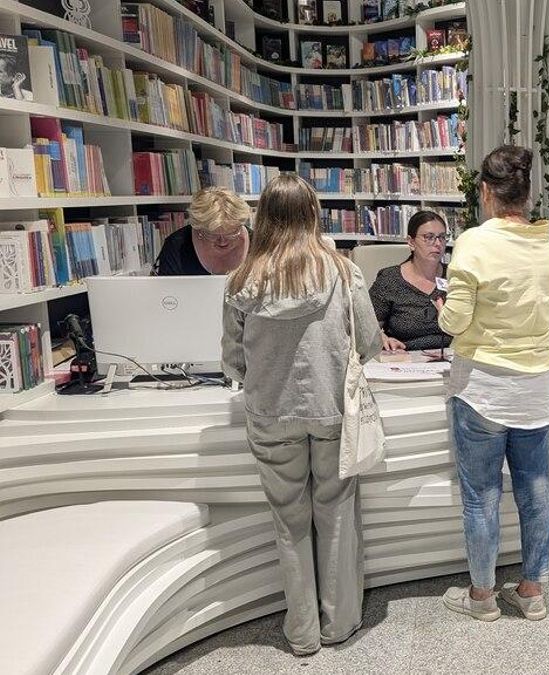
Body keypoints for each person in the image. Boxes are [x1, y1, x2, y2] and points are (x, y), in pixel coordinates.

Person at [221, 174, 382, 654]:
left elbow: (233, 362)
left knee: (288, 524)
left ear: (262, 217)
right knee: (335, 514)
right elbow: (370, 343)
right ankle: (339, 624)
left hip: (271, 416)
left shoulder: (241, 280)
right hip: (332, 412)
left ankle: (303, 632)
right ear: (313, 213)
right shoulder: (341, 271)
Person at [438, 145, 549, 622]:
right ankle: (531, 591)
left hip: (484, 388)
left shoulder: (473, 242)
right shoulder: (544, 242)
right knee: (536, 488)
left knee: (481, 495)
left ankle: (482, 597)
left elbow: (455, 321)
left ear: (486, 192)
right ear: (526, 195)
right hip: (536, 385)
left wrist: (445, 312)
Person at [369, 210, 452, 352]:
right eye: (429, 237)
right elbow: (367, 326)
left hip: (451, 358)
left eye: (442, 237)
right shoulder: (390, 280)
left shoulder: (454, 277)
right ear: (411, 242)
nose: (438, 243)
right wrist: (382, 338)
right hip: (405, 358)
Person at [155, 186, 252, 275]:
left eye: (231, 234)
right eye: (212, 235)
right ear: (198, 228)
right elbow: (163, 290)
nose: (222, 242)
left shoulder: (259, 243)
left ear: (240, 224)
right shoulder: (176, 245)